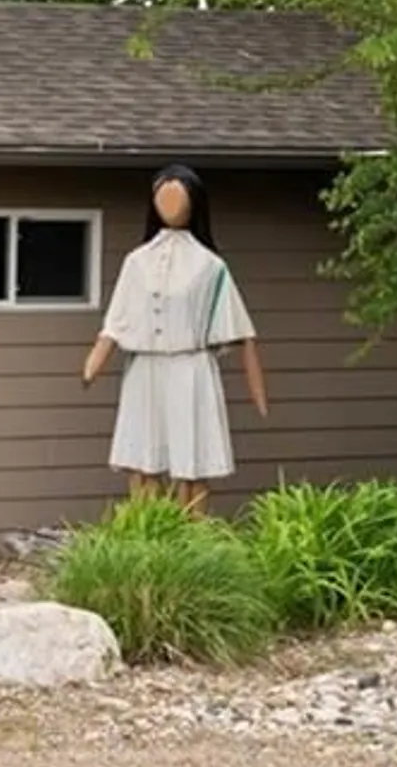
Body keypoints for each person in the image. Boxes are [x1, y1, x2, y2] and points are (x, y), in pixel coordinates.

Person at [79, 164, 267, 509]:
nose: (169, 204)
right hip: (144, 369)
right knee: (142, 458)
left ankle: (192, 536)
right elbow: (116, 319)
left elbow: (242, 331)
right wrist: (95, 359)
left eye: (177, 196)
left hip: (190, 367)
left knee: (191, 458)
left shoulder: (210, 266)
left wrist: (258, 390)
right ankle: (146, 531)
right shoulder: (136, 262)